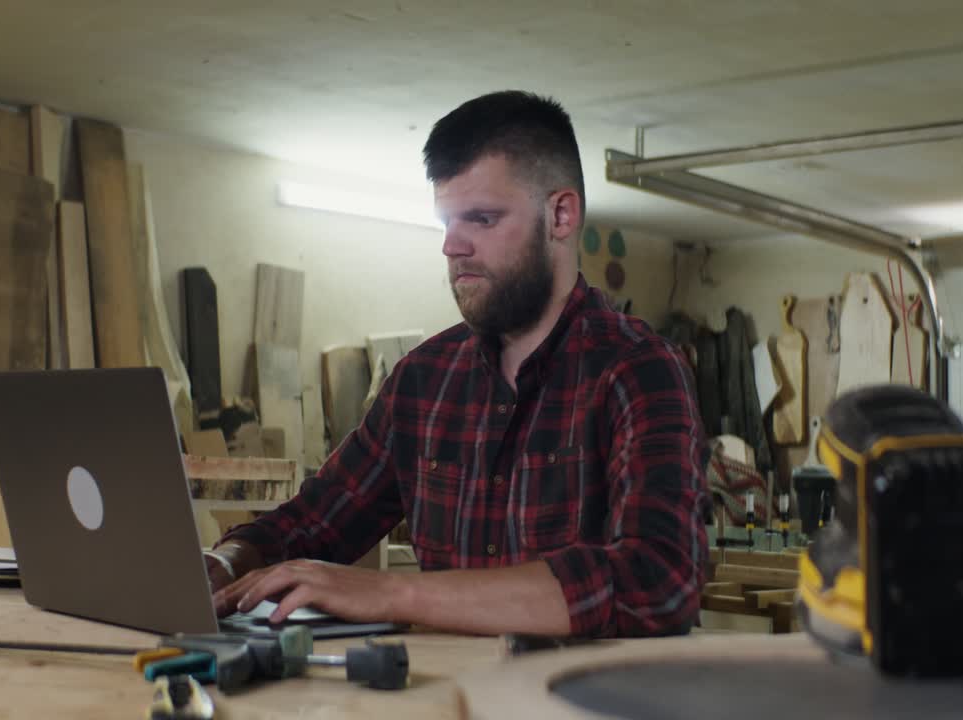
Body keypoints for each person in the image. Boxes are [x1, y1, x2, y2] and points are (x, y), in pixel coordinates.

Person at [206, 90, 709, 638]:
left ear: (561, 215)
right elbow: (312, 521)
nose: (451, 245)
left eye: (482, 219)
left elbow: (657, 581)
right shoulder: (423, 381)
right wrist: (228, 561)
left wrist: (392, 593)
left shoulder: (638, 370)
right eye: (446, 221)